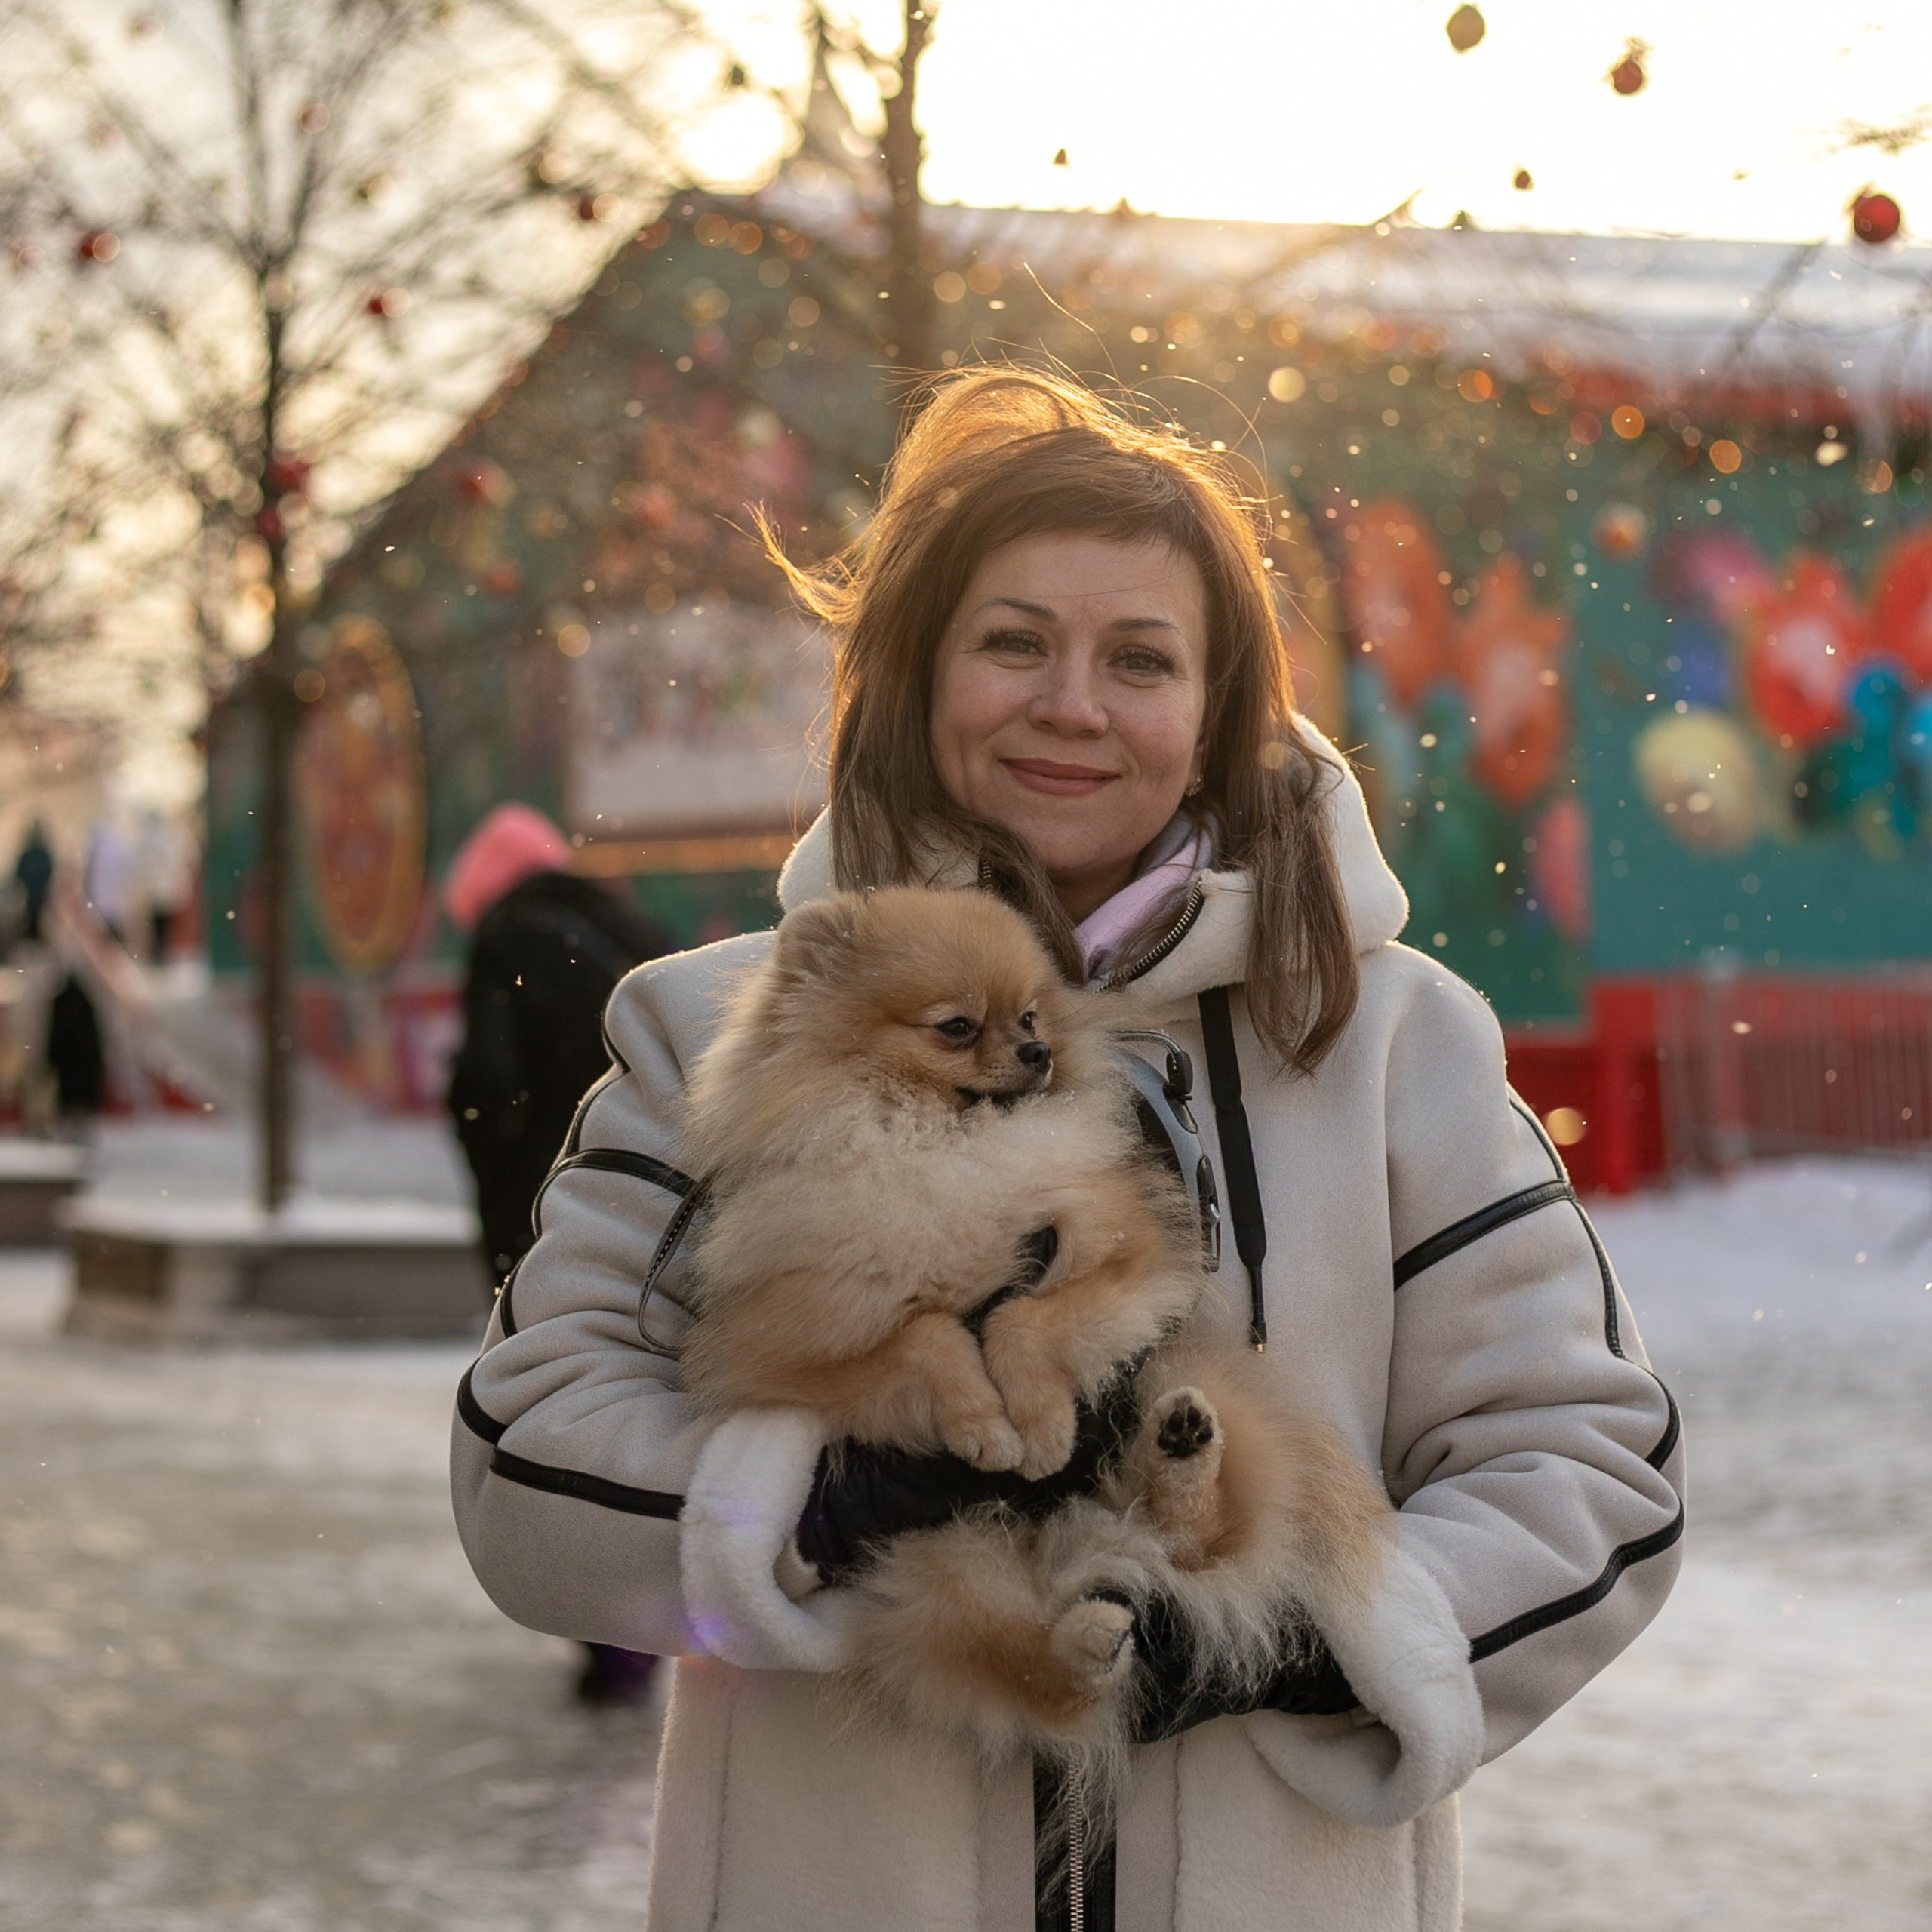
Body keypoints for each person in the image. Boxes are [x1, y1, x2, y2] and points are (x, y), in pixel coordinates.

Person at [450, 370, 1685, 1930]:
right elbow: (523, 1453)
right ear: (919, 675)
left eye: (1139, 659)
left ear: (1219, 709)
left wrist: (1300, 1634)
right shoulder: (712, 1029)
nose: (1071, 703)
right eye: (1013, 641)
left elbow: (1590, 1464)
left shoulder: (1390, 1044)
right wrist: (815, 1503)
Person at [442, 801, 674, 1706]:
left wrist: (495, 1168)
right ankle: (654, 1617)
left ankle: (608, 1637)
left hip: (551, 1197)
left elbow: (487, 1081)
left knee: (556, 1405)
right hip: (657, 1193)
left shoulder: (507, 937)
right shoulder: (633, 924)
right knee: (643, 1392)